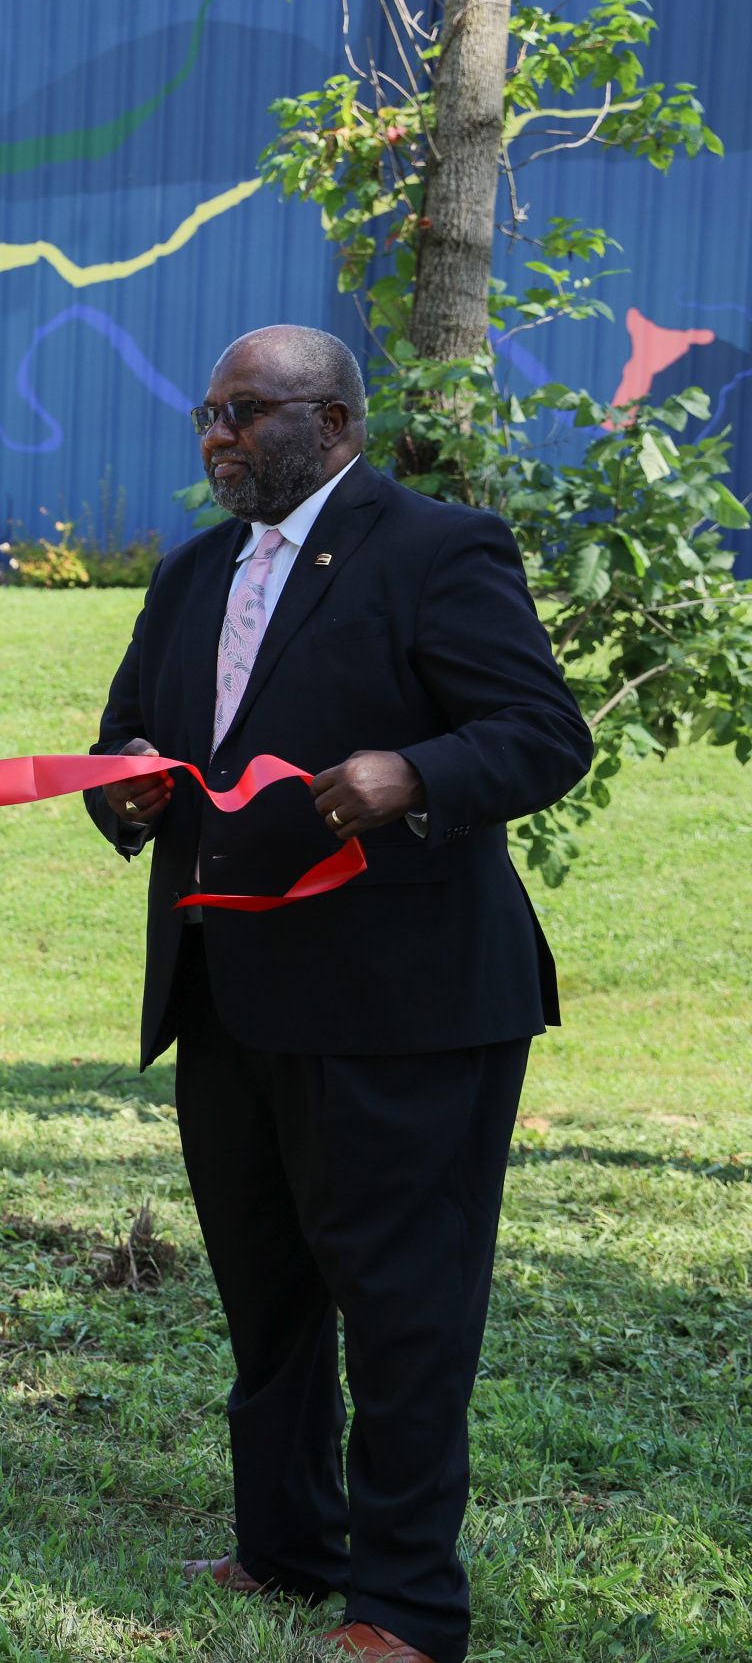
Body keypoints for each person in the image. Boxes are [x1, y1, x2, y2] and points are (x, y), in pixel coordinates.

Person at [85, 326, 591, 1663]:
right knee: (269, 1293)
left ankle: (408, 1603)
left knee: (405, 1305)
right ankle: (288, 1543)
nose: (216, 434)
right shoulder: (195, 568)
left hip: (404, 1006)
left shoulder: (435, 546)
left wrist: (412, 774)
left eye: (244, 410)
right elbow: (124, 739)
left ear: (334, 416)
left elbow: (543, 733)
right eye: (208, 411)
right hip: (227, 995)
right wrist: (124, 786)